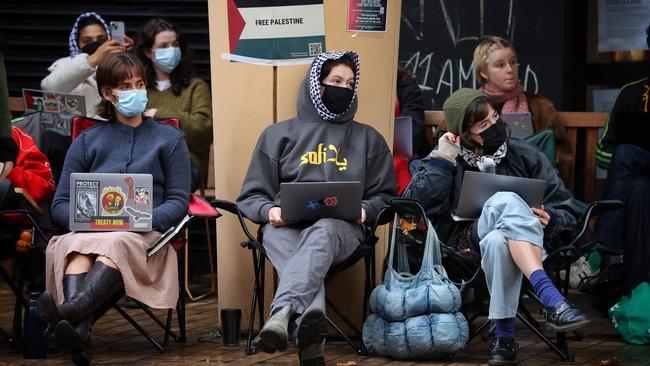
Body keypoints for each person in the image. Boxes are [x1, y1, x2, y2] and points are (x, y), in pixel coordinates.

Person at [404, 88, 588, 365]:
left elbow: (565, 206)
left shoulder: (528, 155)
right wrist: (442, 160)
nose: (495, 126)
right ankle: (550, 298)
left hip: (528, 244)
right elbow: (415, 208)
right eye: (483, 124)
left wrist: (551, 217)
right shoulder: (448, 160)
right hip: (466, 248)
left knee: (498, 241)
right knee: (505, 199)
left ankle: (503, 337)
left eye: (495, 117)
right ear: (465, 132)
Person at [236, 51, 396, 365]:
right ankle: (309, 334)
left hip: (342, 229)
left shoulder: (369, 139)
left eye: (350, 83)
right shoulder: (277, 135)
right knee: (284, 240)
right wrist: (271, 212)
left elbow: (386, 197)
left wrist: (365, 211)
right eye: (335, 81)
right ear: (315, 84)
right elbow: (251, 196)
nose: (344, 88)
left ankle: (281, 313)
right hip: (286, 227)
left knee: (323, 229)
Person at [37, 52, 191, 365]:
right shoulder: (86, 141)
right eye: (125, 86)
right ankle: (78, 331)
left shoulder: (170, 139)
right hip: (91, 233)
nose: (136, 91)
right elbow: (61, 204)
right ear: (107, 93)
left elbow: (178, 200)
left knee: (114, 242)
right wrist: (86, 220)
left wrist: (143, 218)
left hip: (145, 237)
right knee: (74, 247)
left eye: (140, 84)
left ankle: (66, 314)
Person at [593, 25, 650, 298]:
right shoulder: (632, 93)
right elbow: (603, 155)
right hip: (637, 180)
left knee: (627, 154)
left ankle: (603, 247)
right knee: (638, 188)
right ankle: (635, 295)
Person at [473, 36, 574, 183]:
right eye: (500, 65)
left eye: (513, 62)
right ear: (483, 72)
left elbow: (561, 155)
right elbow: (449, 143)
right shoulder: (470, 106)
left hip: (530, 181)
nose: (510, 69)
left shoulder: (541, 107)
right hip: (484, 181)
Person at [134, 18, 212, 191]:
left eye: (175, 44)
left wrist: (158, 113)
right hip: (143, 163)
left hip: (186, 164)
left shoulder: (195, 87)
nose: (171, 50)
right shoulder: (138, 89)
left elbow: (202, 131)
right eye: (163, 46)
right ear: (148, 52)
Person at [41, 12, 134, 119]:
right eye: (87, 41)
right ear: (77, 43)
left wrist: (128, 56)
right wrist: (92, 60)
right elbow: (49, 88)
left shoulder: (117, 62)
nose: (95, 44)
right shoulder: (65, 64)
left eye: (101, 40)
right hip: (78, 132)